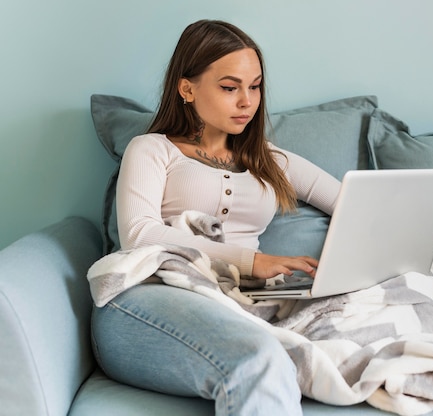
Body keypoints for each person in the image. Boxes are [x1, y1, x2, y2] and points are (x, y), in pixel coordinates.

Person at [91, 19, 341, 415]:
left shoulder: (270, 160)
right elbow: (139, 234)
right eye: (230, 87)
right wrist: (251, 262)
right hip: (149, 297)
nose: (247, 101)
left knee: (286, 349)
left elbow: (352, 204)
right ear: (187, 88)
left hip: (234, 304)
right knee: (259, 358)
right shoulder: (153, 150)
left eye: (255, 86)